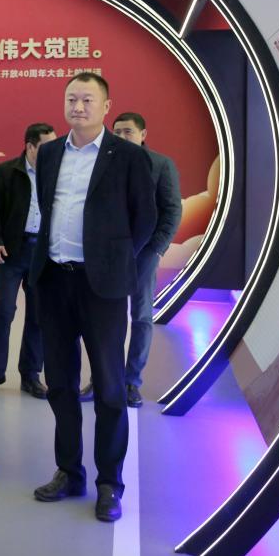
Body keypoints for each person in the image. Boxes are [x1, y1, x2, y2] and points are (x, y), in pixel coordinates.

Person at [30, 73, 156, 523]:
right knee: (60, 383)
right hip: (54, 280)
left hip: (102, 287)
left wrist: (113, 259)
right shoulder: (49, 153)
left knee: (108, 386)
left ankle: (109, 483)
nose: (78, 107)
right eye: (71, 99)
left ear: (106, 106)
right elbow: (47, 207)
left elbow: (145, 219)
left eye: (87, 99)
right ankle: (69, 471)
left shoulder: (128, 156)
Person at [110, 112, 182, 408]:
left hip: (145, 252)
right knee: (108, 317)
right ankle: (107, 377)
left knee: (141, 316)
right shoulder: (105, 162)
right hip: (111, 252)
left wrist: (157, 248)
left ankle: (132, 381)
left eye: (128, 131)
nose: (121, 137)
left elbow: (172, 209)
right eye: (117, 132)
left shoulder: (161, 164)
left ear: (143, 134)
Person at [0, 123, 58, 398]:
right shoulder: (6, 172)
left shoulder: (57, 173)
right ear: (30, 146)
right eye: (46, 146)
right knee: (2, 310)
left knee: (38, 315)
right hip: (11, 252)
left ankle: (30, 375)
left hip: (43, 254)